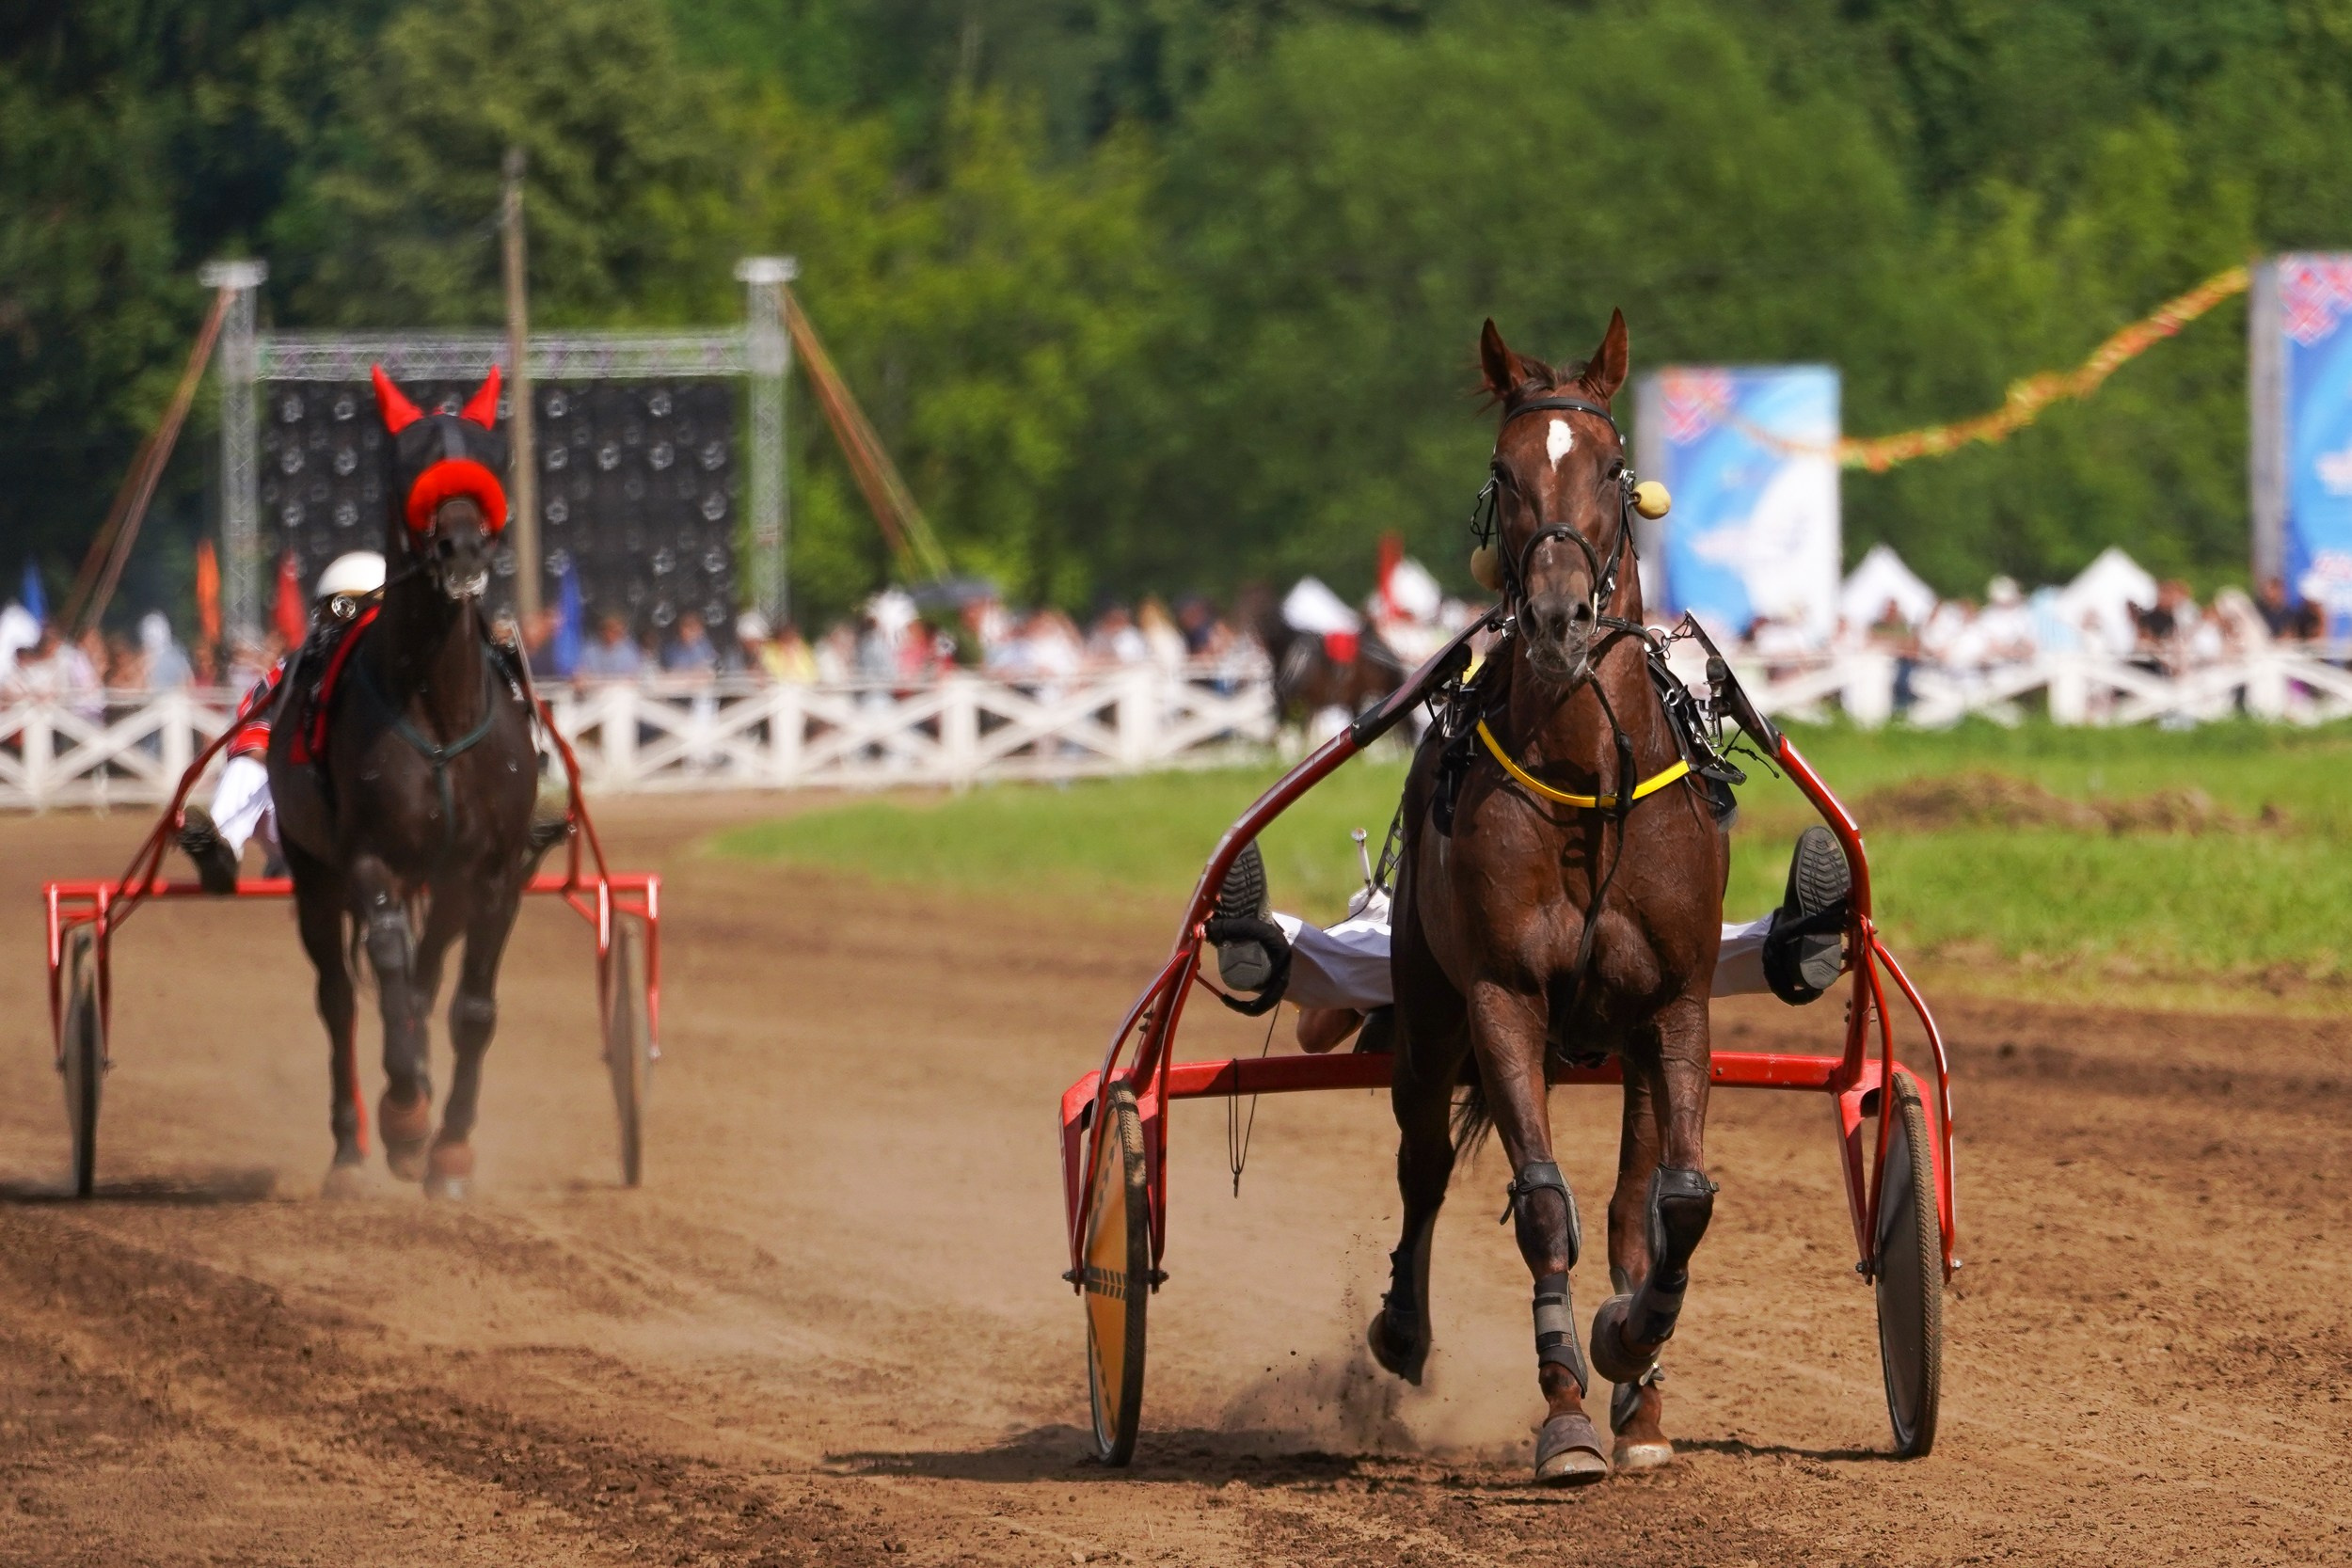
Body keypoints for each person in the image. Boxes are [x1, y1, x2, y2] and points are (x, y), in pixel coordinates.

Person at [1206, 827, 1854, 1054]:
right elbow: (1316, 1037)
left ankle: (1271, 946)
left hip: (1449, 955)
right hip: (1549, 954)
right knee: (1674, 958)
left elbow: (1315, 1037)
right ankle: (1784, 947)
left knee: (1370, 962)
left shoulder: (1388, 912)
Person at [177, 552, 386, 894]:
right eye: (340, 613)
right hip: (307, 814)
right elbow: (251, 734)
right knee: (247, 769)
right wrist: (287, 763)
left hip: (378, 824)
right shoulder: (293, 674)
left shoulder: (405, 682)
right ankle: (221, 850)